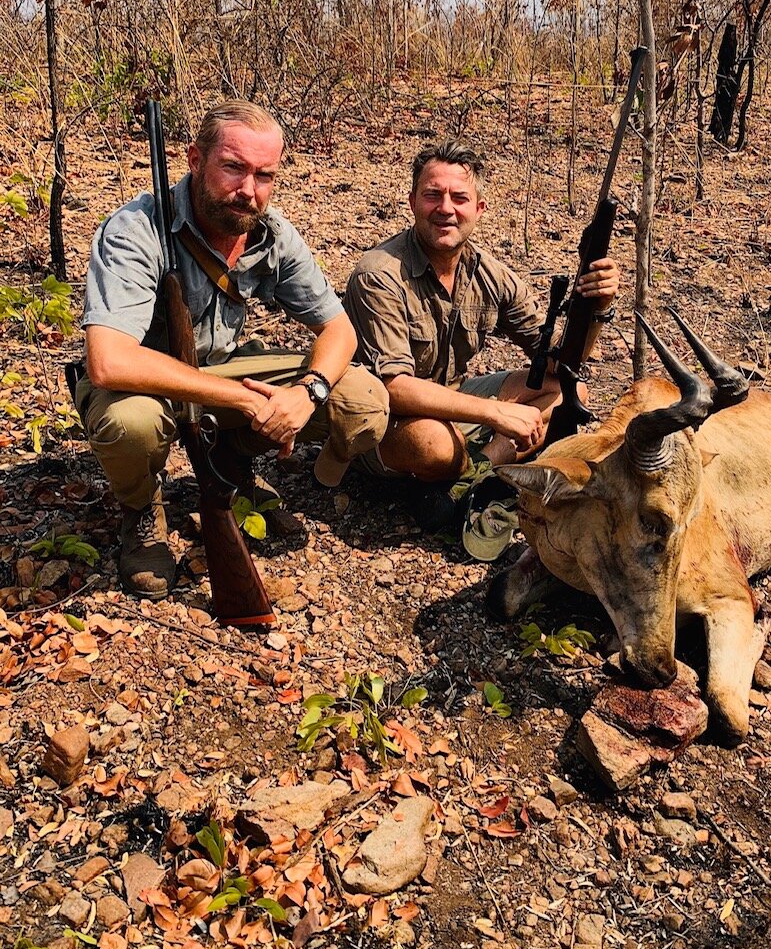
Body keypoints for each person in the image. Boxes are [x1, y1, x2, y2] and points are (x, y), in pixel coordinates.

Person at [76, 99, 389, 599]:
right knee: (128, 425)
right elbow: (110, 360)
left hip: (220, 372)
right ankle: (141, 509)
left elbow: (340, 330)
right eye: (233, 168)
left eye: (264, 175)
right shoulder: (135, 229)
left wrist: (305, 394)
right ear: (195, 159)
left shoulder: (273, 233)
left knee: (363, 400)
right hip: (142, 383)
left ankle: (229, 463)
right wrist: (247, 401)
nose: (248, 190)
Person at [343, 141, 619, 527]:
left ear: (479, 209)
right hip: (380, 422)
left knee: (571, 392)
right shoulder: (379, 274)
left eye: (460, 198)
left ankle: (480, 474)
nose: (446, 209)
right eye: (432, 196)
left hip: (451, 401)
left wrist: (597, 307)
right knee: (435, 444)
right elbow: (396, 388)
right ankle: (468, 471)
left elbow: (561, 362)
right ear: (412, 203)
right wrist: (498, 412)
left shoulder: (490, 273)